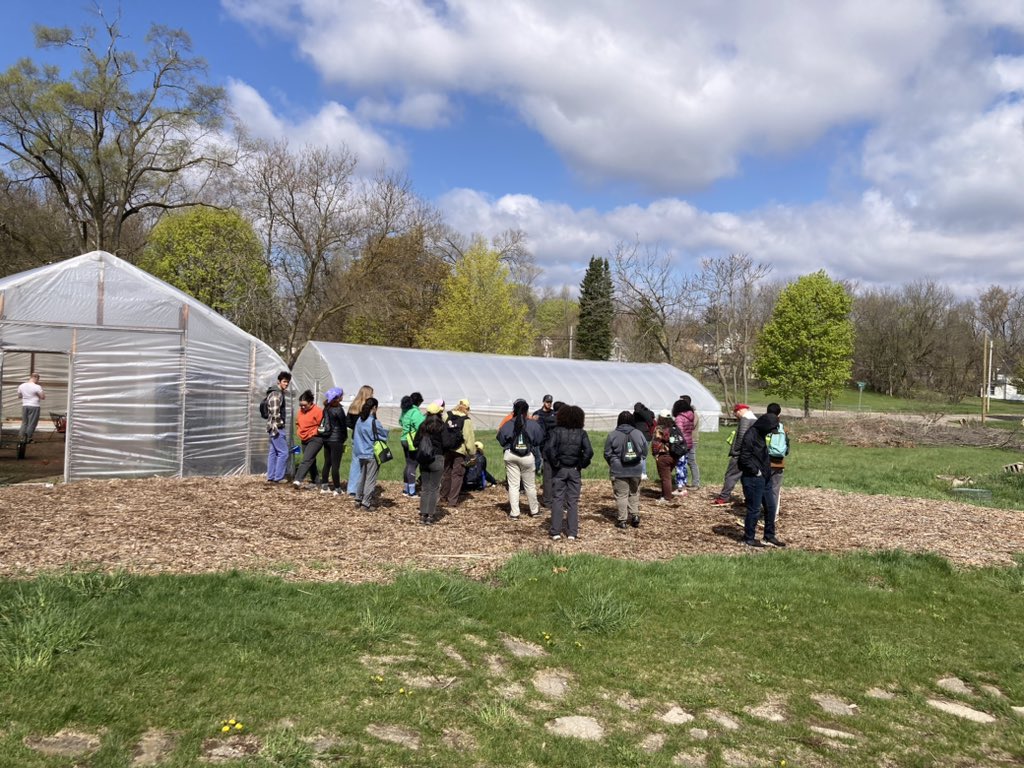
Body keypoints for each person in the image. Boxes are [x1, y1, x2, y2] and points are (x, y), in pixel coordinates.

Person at [544, 405, 594, 541]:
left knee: (557, 499)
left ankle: (555, 531)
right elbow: (589, 452)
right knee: (573, 501)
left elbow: (549, 448)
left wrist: (556, 464)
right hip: (574, 470)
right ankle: (572, 532)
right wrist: (581, 465)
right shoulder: (581, 433)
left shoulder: (556, 431)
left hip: (559, 470)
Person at [738, 411, 785, 547]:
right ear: (765, 426)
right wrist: (756, 471)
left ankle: (769, 536)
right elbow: (743, 459)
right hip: (753, 478)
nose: (771, 433)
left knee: (771, 507)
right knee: (754, 509)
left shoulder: (762, 434)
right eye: (770, 430)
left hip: (765, 477)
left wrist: (766, 472)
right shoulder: (750, 435)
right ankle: (749, 538)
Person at [498, 399, 546, 519]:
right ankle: (534, 511)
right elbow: (539, 439)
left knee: (513, 485)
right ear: (527, 411)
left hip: (511, 455)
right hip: (527, 457)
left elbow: (501, 439)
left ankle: (515, 513)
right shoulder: (532, 424)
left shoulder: (508, 424)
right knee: (530, 485)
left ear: (513, 410)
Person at [604, 411, 649, 529]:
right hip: (636, 468)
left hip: (619, 469)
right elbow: (645, 451)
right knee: (634, 492)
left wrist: (613, 463)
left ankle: (622, 520)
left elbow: (607, 453)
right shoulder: (638, 433)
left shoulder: (613, 434)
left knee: (621, 495)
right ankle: (635, 516)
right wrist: (639, 460)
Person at [713, 403, 756, 505]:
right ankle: (749, 499)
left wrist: (736, 451)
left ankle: (723, 497)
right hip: (751, 454)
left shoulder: (745, 419)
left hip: (740, 454)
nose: (736, 416)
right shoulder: (755, 419)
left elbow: (741, 436)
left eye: (736, 413)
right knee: (746, 477)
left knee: (731, 475)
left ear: (740, 411)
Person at [352, 397, 388, 511]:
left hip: (361, 453)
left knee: (362, 477)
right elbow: (383, 436)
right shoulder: (374, 422)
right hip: (372, 454)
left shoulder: (359, 420)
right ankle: (365, 503)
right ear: (374, 408)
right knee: (370, 479)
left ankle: (358, 499)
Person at [439, 399, 475, 508]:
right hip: (459, 451)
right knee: (457, 475)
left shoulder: (446, 415)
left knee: (446, 473)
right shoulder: (466, 420)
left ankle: (442, 497)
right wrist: (472, 453)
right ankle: (452, 501)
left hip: (447, 449)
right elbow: (469, 439)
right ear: (467, 408)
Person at [414, 404, 445, 524]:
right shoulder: (442, 426)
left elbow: (416, 441)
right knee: (434, 488)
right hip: (437, 458)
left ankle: (423, 514)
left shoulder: (423, 426)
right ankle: (430, 516)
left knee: (425, 487)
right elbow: (447, 443)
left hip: (424, 459)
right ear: (439, 413)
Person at [261, 371, 292, 483]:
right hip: (276, 427)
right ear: (279, 381)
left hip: (272, 426)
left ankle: (271, 476)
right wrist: (280, 424)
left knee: (273, 452)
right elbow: (275, 412)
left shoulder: (275, 392)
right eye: (284, 381)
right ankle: (278, 477)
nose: (286, 384)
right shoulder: (276, 394)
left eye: (287, 382)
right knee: (283, 452)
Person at [319, 388, 348, 496]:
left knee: (327, 463)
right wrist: (344, 437)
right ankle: (337, 488)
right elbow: (343, 425)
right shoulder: (338, 409)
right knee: (336, 465)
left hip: (326, 438)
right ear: (338, 397)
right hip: (336, 439)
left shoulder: (326, 407)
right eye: (341, 395)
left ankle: (324, 486)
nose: (342, 396)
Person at [292, 390, 324, 489]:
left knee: (306, 459)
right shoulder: (300, 412)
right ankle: (316, 481)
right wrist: (299, 431)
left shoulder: (318, 411)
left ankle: (297, 479)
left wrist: (315, 432)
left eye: (304, 405)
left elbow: (322, 426)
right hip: (304, 438)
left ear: (311, 403)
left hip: (316, 438)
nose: (302, 407)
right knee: (311, 460)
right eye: (300, 405)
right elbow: (298, 423)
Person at [346, 385, 374, 495]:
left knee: (355, 462)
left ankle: (352, 488)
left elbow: (347, 422)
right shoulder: (368, 408)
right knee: (367, 463)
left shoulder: (353, 406)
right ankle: (362, 488)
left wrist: (355, 428)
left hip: (355, 437)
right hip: (366, 438)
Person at [763, 402, 789, 511]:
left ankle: (763, 511)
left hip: (765, 461)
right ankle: (773, 513)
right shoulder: (783, 428)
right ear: (779, 414)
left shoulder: (763, 426)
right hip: (779, 462)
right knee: (775, 488)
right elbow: (787, 448)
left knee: (762, 487)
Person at [399, 392, 425, 497]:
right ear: (418, 402)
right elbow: (420, 425)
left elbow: (401, 422)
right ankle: (412, 491)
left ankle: (406, 489)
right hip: (412, 440)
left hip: (404, 439)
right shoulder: (415, 411)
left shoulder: (404, 411)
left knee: (408, 463)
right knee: (413, 465)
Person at [532, 394, 557, 505]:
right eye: (547, 402)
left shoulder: (553, 414)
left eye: (550, 402)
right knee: (541, 463)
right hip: (541, 444)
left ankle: (551, 493)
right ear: (543, 402)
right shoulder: (537, 414)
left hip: (552, 443)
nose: (549, 404)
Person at [672, 395, 700, 492]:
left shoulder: (686, 415)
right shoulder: (690, 414)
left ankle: (694, 483)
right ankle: (685, 481)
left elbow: (680, 431)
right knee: (684, 462)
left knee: (688, 462)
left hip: (688, 441)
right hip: (689, 439)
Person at [652, 410, 676, 504]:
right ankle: (664, 493)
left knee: (665, 477)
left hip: (663, 455)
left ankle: (666, 497)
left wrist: (655, 454)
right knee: (667, 475)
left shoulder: (659, 429)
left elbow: (656, 443)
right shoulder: (674, 428)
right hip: (674, 455)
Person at [17, 372, 45, 443]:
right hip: (34, 406)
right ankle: (28, 438)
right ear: (35, 378)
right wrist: (36, 395)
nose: (38, 381)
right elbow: (43, 397)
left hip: (25, 405)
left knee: (24, 422)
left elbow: (19, 396)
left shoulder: (21, 385)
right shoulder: (37, 387)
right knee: (32, 423)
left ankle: (21, 438)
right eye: (38, 379)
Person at [633, 402, 656, 481]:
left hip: (640, 436)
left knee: (640, 456)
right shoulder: (649, 413)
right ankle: (643, 473)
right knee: (643, 456)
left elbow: (649, 420)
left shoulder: (639, 414)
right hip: (647, 437)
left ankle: (641, 473)